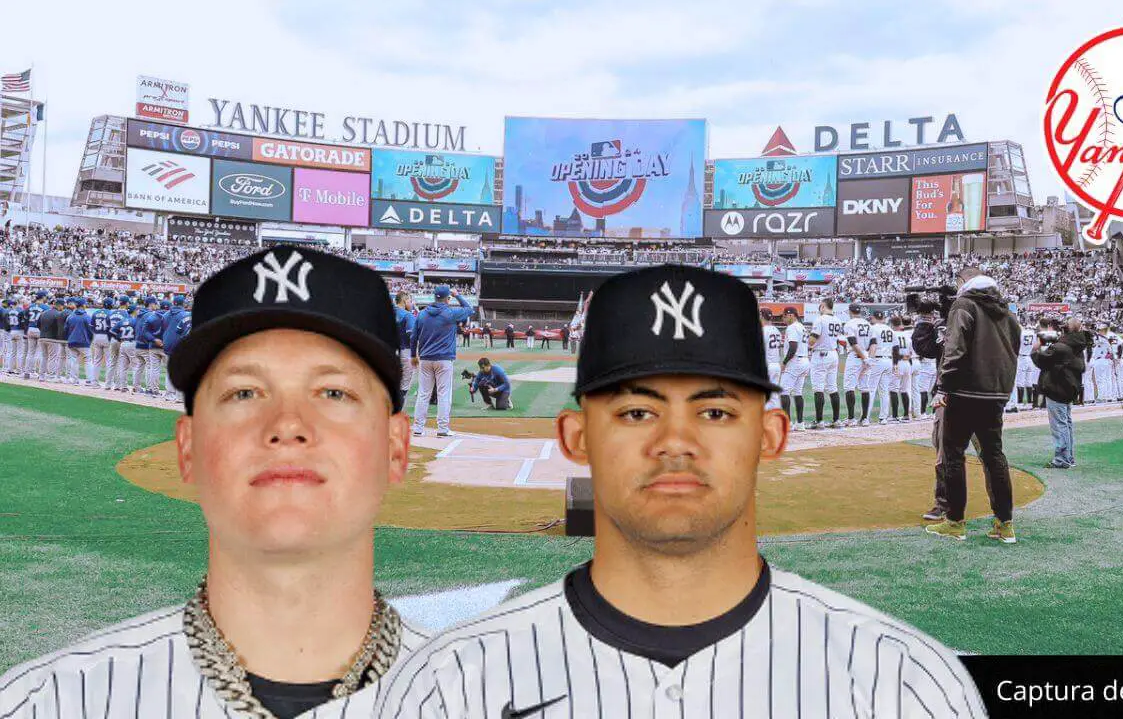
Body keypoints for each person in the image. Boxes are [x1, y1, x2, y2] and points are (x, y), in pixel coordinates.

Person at [375, 264, 985, 718]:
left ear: (772, 434)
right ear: (576, 437)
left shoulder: (914, 685)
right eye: (637, 411)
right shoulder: (444, 685)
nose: (675, 443)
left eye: (715, 412)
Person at [0, 247, 429, 717]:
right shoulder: (43, 704)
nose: (287, 424)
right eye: (243, 392)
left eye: (333, 392)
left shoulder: (482, 694)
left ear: (396, 446)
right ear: (187, 447)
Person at [927, 267, 1020, 544]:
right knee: (994, 457)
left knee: (954, 455)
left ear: (964, 283)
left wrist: (943, 387)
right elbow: (1014, 352)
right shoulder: (1008, 313)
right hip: (995, 393)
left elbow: (955, 349)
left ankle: (955, 521)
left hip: (965, 391)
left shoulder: (964, 305)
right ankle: (1005, 524)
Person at [410, 285, 475, 437]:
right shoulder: (450, 313)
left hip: (425, 359)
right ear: (448, 297)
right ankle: (442, 429)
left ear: (434, 296)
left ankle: (418, 428)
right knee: (443, 394)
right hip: (444, 359)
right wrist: (458, 295)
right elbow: (469, 309)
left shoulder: (422, 314)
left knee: (423, 394)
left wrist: (413, 355)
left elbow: (413, 337)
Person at [1031, 319, 1088, 469]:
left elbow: (1041, 361)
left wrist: (1035, 349)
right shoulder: (1078, 346)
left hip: (1057, 387)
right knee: (1066, 424)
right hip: (1069, 387)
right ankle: (1068, 457)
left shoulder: (1061, 347)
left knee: (1060, 425)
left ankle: (1062, 459)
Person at [807, 297, 842, 428]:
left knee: (818, 388)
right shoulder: (838, 320)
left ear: (823, 306)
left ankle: (820, 421)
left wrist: (808, 344)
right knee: (832, 387)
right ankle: (836, 420)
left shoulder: (820, 319)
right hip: (833, 353)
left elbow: (812, 340)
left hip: (821, 354)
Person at [779, 305, 810, 430]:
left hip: (795, 361)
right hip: (805, 360)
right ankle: (800, 423)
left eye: (785, 316)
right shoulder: (802, 327)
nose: (784, 319)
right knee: (797, 392)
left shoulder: (792, 328)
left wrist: (784, 362)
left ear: (791, 315)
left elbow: (793, 347)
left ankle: (787, 423)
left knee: (783, 391)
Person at [841, 304, 871, 426]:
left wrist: (863, 356)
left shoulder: (850, 324)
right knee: (864, 387)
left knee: (849, 387)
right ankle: (864, 419)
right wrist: (867, 357)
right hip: (866, 355)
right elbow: (873, 342)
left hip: (855, 356)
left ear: (850, 311)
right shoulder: (868, 323)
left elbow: (853, 343)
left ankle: (851, 418)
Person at [161, 296, 192, 402]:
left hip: (167, 342)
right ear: (183, 304)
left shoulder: (165, 314)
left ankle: (169, 394)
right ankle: (179, 396)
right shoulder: (185, 314)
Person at [63, 297, 94, 386]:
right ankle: (89, 380)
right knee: (88, 360)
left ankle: (74, 379)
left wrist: (69, 338)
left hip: (72, 341)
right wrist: (89, 340)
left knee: (73, 360)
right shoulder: (87, 317)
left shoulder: (70, 316)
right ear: (83, 305)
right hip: (84, 342)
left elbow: (65, 330)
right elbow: (90, 331)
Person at [394, 291, 417, 407]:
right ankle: (396, 415)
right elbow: (411, 336)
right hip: (405, 351)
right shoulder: (408, 315)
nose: (411, 303)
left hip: (387, 351)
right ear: (404, 301)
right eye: (409, 300)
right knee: (404, 387)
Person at [760, 307, 783, 412]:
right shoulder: (776, 330)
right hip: (776, 365)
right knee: (774, 395)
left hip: (766, 365)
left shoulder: (762, 331)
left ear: (761, 316)